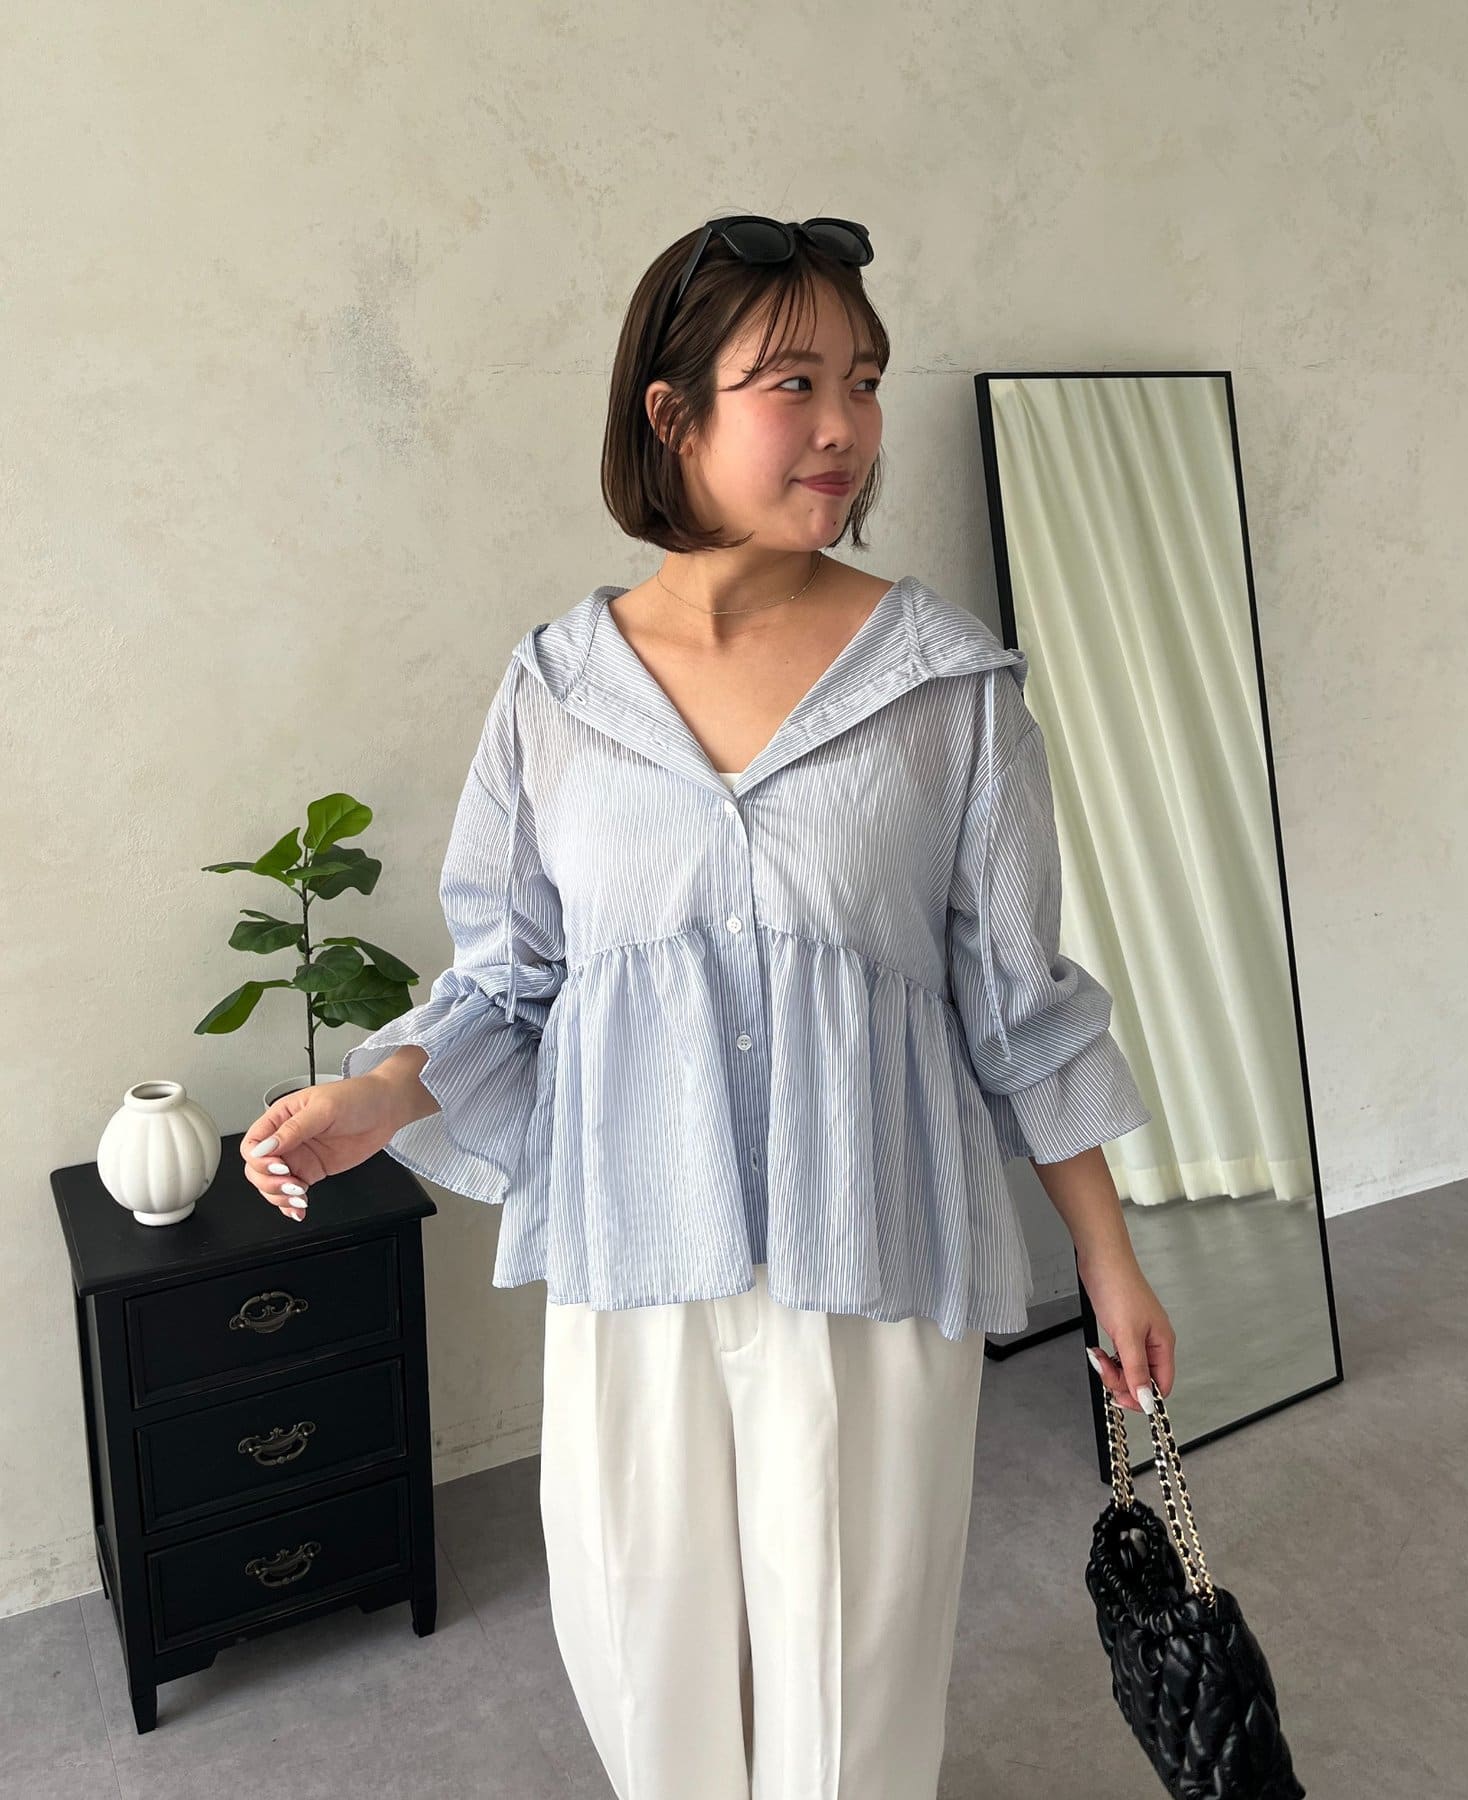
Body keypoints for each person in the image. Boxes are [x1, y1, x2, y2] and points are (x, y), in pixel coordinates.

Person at [239, 215, 1176, 1799]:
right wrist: (379, 1095)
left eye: (864, 379)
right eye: (792, 381)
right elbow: (510, 980)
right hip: (634, 1251)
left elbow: (1022, 1004)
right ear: (670, 414)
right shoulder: (555, 692)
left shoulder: (947, 688)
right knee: (642, 1647)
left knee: (851, 1690)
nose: (845, 424)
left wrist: (1110, 1257)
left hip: (870, 1248)